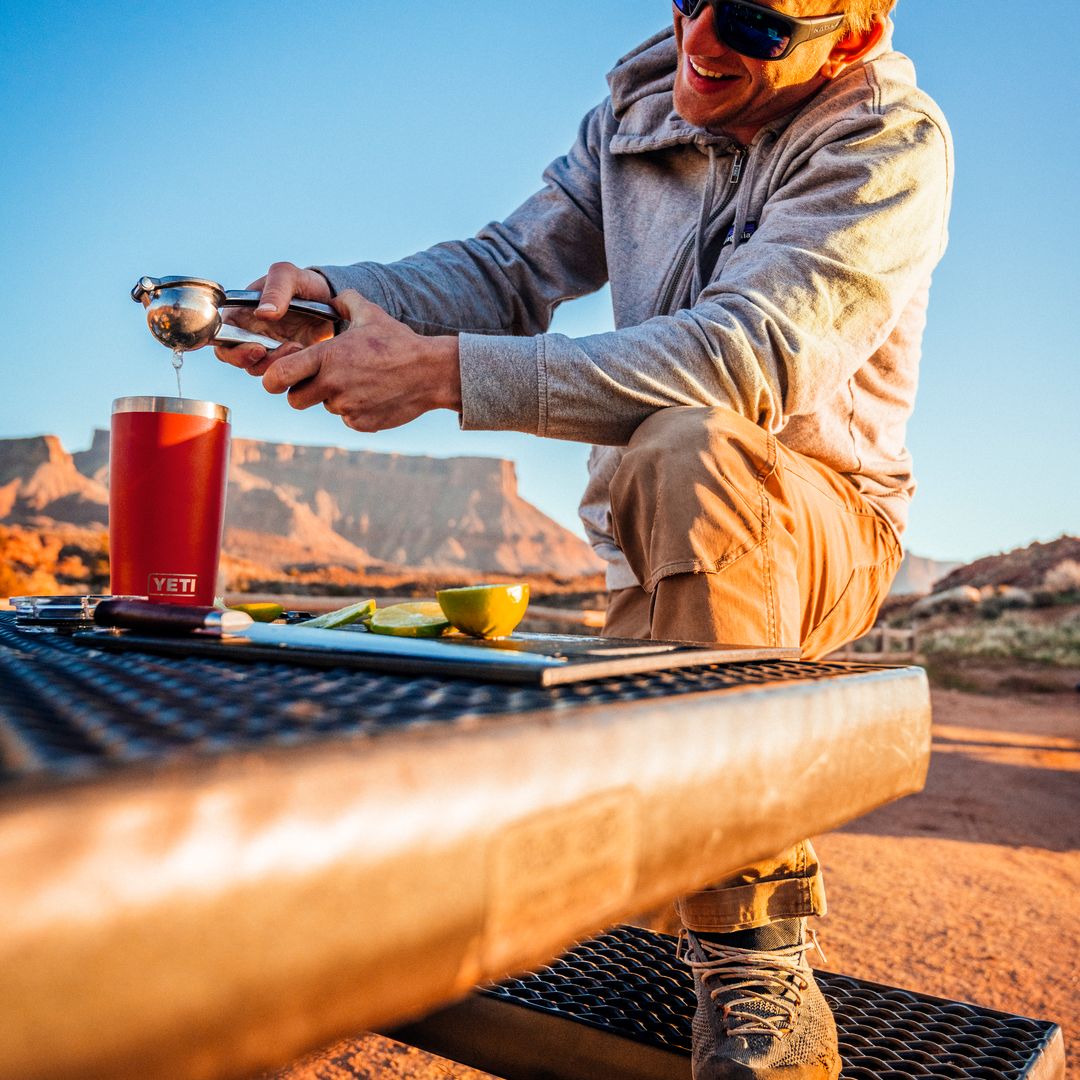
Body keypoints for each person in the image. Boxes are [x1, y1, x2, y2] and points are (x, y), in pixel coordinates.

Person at [217, 1, 953, 1075]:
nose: (703, 38)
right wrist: (344, 300)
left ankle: (753, 950)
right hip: (649, 530)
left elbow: (741, 361)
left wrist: (438, 374)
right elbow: (510, 269)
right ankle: (646, 863)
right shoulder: (638, 105)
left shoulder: (886, 143)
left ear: (851, 38)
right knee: (670, 473)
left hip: (823, 526)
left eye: (752, 22)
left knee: (693, 441)